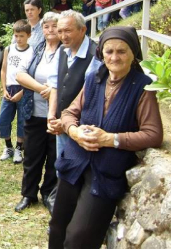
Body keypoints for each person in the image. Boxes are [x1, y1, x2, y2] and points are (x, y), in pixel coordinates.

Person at [49, 26, 163, 249]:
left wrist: (110, 139)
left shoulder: (142, 88)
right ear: (101, 53)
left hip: (105, 174)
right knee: (57, 227)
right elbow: (70, 112)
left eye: (122, 51)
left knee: (78, 238)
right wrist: (75, 132)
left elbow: (153, 134)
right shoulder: (93, 79)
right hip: (74, 163)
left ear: (133, 54)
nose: (114, 57)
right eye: (109, 51)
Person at [46, 10, 102, 209]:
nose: (62, 36)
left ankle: (77, 212)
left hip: (83, 125)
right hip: (61, 124)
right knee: (64, 168)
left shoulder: (96, 55)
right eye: (60, 31)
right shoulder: (62, 51)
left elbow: (93, 97)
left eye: (68, 31)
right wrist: (51, 115)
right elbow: (54, 84)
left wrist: (67, 122)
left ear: (83, 29)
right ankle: (63, 209)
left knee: (82, 172)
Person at [14, 12, 60, 213]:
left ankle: (49, 193)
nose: (50, 30)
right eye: (46, 26)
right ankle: (28, 194)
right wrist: (44, 89)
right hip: (33, 112)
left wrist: (56, 91)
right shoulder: (37, 49)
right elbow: (20, 74)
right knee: (32, 156)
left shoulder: (67, 51)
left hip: (57, 116)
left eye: (54, 26)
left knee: (54, 157)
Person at [0, 20, 34, 164]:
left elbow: (32, 74)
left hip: (23, 89)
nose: (19, 39)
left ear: (28, 35)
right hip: (9, 88)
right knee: (3, 119)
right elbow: (4, 69)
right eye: (16, 36)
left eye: (22, 36)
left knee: (21, 120)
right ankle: (8, 147)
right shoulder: (9, 49)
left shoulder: (32, 52)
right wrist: (4, 88)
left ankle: (19, 148)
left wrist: (23, 92)